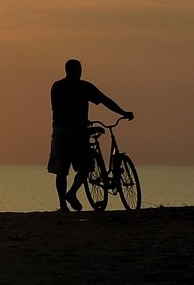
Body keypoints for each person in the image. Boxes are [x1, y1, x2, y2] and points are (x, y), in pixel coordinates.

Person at [49, 59, 134, 212]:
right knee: (87, 166)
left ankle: (63, 205)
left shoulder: (57, 86)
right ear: (77, 70)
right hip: (76, 131)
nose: (81, 71)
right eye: (79, 69)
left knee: (61, 171)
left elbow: (57, 109)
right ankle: (72, 192)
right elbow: (105, 100)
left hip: (59, 131)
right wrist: (123, 113)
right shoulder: (83, 87)